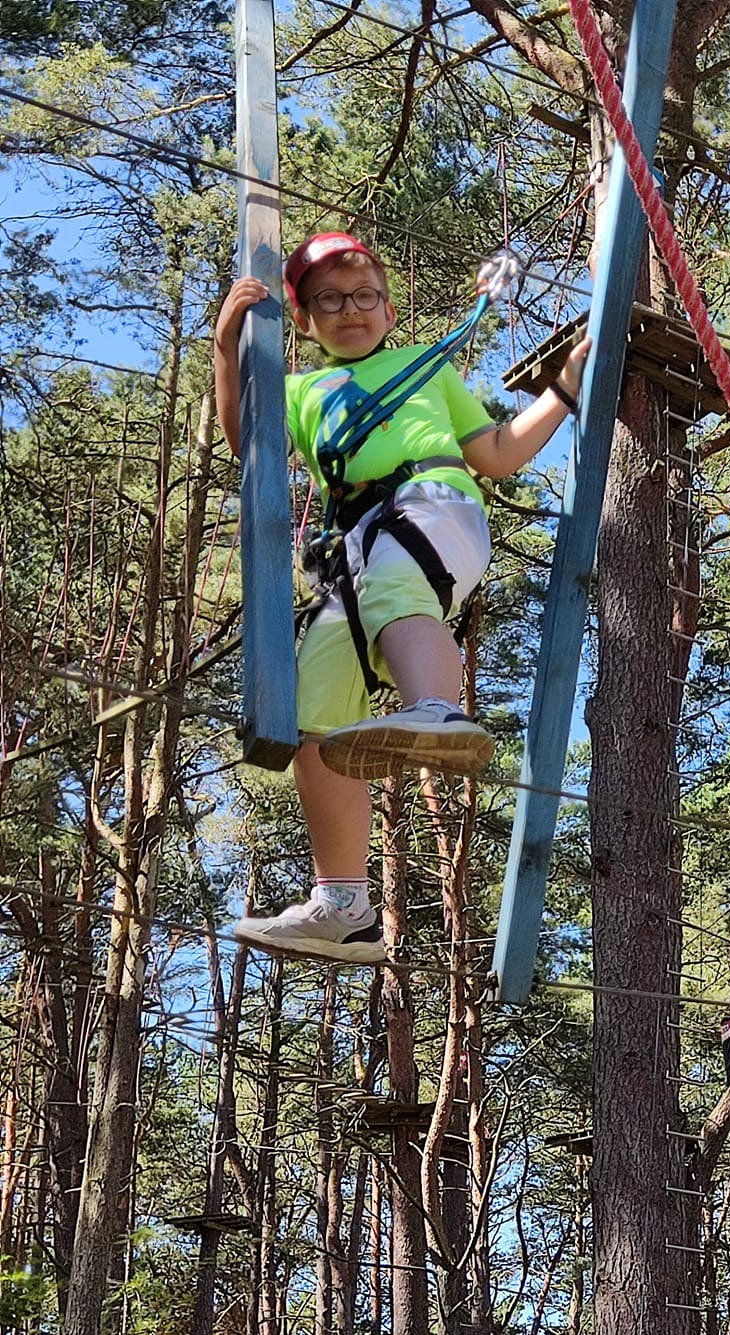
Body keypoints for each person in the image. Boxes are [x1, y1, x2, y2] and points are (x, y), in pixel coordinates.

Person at [212, 230, 589, 963]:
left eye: (364, 296)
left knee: (393, 583)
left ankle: (437, 708)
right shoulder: (301, 391)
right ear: (305, 320)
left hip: (433, 505)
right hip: (352, 549)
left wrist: (566, 388)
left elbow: (498, 454)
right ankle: (344, 904)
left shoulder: (424, 366)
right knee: (312, 708)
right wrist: (228, 351)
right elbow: (248, 444)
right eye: (329, 300)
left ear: (388, 308)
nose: (349, 310)